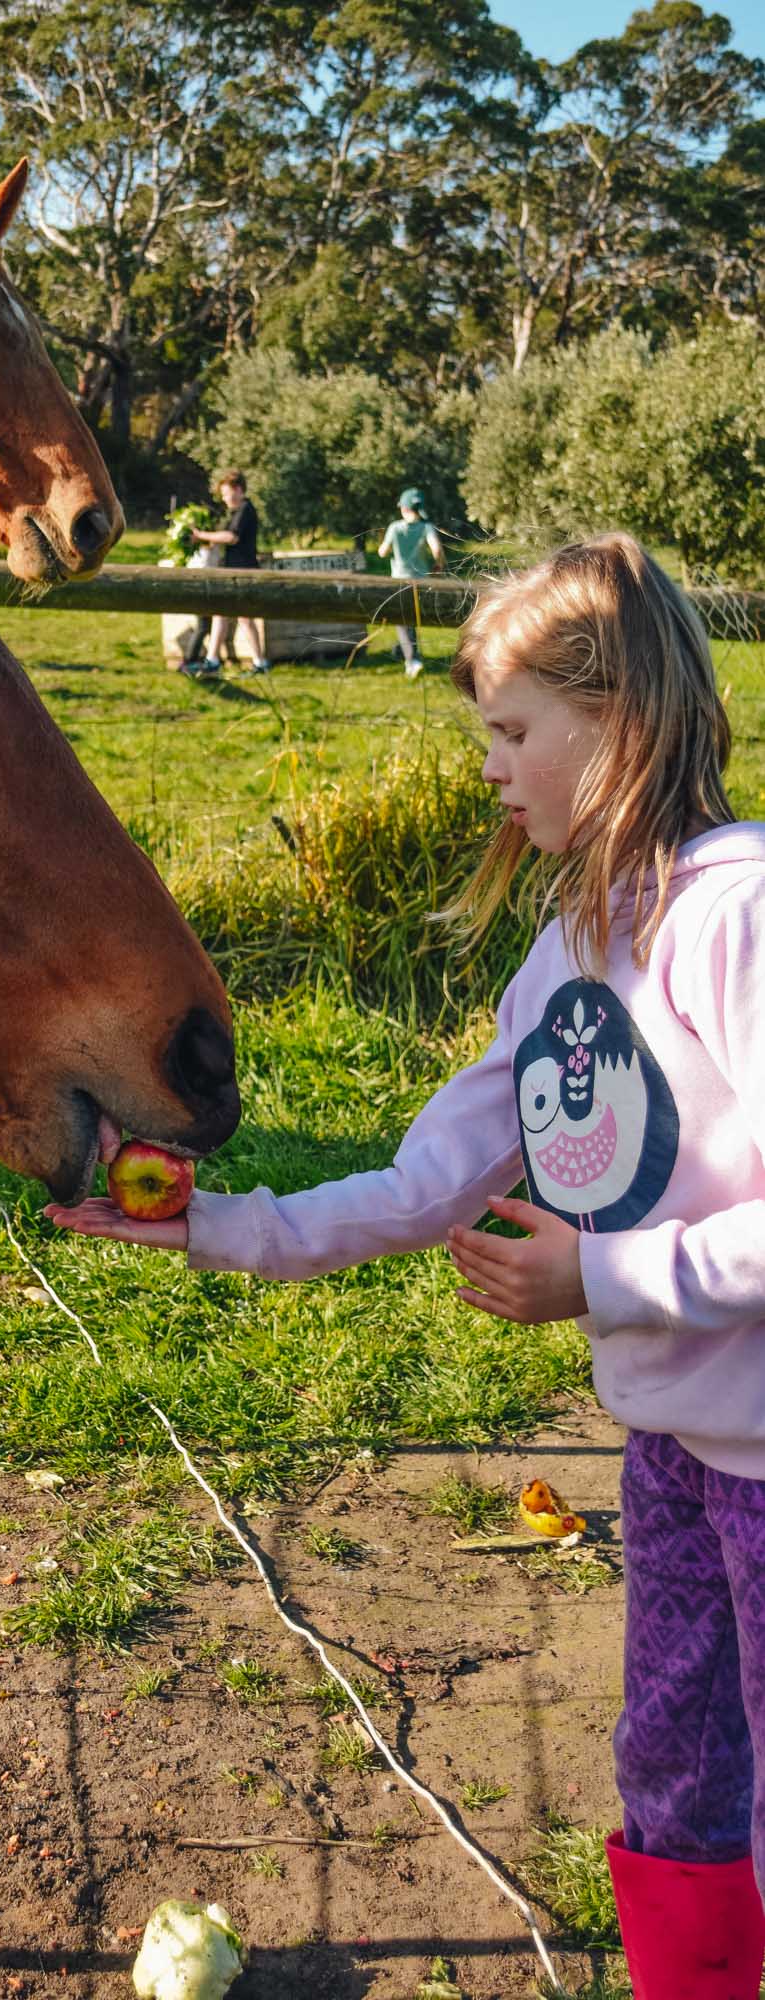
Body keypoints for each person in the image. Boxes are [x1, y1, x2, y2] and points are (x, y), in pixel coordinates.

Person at [47, 533, 765, 2000]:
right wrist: (209, 1225)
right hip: (677, 1449)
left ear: (618, 721)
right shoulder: (566, 963)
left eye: (512, 730)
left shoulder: (732, 915)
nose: (491, 766)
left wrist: (603, 1282)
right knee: (673, 1754)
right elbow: (422, 1184)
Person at [187, 470, 269, 676]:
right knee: (221, 614)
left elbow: (232, 537)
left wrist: (201, 535)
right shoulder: (235, 512)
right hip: (232, 570)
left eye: (226, 493)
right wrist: (205, 541)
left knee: (244, 618)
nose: (224, 499)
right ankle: (213, 660)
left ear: (238, 490)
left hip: (244, 571)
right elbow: (223, 536)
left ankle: (260, 663)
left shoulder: (245, 510)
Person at [378, 486, 443, 679]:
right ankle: (403, 651)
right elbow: (437, 550)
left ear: (403, 509)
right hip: (421, 582)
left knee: (402, 620)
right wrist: (439, 565)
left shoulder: (395, 527)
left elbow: (382, 552)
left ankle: (412, 661)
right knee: (410, 619)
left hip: (399, 580)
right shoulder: (427, 528)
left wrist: (388, 546)